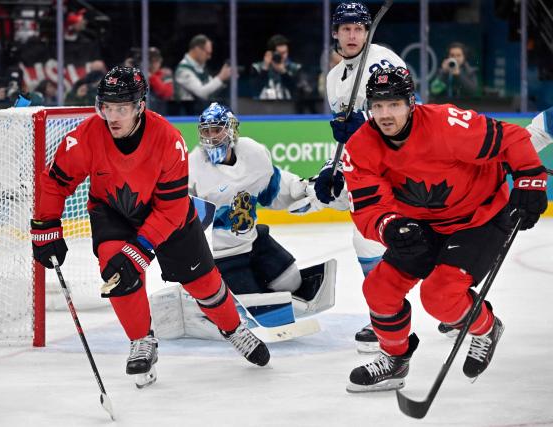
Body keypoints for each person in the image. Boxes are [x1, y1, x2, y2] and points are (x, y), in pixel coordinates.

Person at [30, 66, 270, 388]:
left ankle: (233, 328)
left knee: (204, 284)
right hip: (112, 212)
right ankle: (141, 341)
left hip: (168, 217)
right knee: (116, 270)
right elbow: (55, 182)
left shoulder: (168, 140)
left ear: (140, 106)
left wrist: (140, 251)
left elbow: (170, 209)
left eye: (122, 108)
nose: (112, 117)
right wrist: (46, 226)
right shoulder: (86, 136)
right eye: (107, 107)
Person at [341, 66, 548, 392]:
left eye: (394, 104)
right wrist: (390, 227)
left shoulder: (446, 125)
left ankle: (485, 328)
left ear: (411, 103)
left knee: (440, 296)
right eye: (377, 106)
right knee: (379, 289)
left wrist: (530, 178)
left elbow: (512, 138)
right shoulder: (360, 147)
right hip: (424, 223)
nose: (385, 114)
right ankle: (394, 361)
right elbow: (369, 206)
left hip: (479, 217)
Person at [313, 1, 406, 353]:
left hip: (406, 165)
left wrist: (365, 127)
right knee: (366, 239)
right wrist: (331, 168)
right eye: (346, 28)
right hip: (374, 171)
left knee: (423, 236)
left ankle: (454, 300)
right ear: (335, 33)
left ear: (367, 31)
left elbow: (408, 121)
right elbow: (347, 141)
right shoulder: (335, 79)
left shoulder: (384, 62)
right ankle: (384, 313)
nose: (353, 35)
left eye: (359, 28)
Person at [188, 102, 335, 312]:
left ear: (230, 129)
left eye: (217, 129)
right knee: (252, 303)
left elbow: (272, 189)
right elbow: (182, 213)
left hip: (255, 240)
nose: (211, 136)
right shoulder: (193, 167)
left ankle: (264, 288)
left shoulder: (252, 152)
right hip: (224, 256)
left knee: (291, 281)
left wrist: (300, 188)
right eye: (206, 130)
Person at [173, 34, 231, 115]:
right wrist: (221, 77)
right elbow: (202, 93)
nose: (209, 57)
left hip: (199, 115)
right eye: (207, 53)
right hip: (186, 118)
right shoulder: (183, 70)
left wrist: (224, 79)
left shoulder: (201, 68)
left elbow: (211, 90)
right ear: (197, 49)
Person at [250, 34, 302, 101]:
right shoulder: (257, 67)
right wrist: (265, 68)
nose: (283, 56)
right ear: (271, 53)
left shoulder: (295, 68)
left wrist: (283, 72)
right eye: (280, 53)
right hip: (262, 107)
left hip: (288, 107)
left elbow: (297, 92)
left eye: (285, 52)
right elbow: (254, 90)